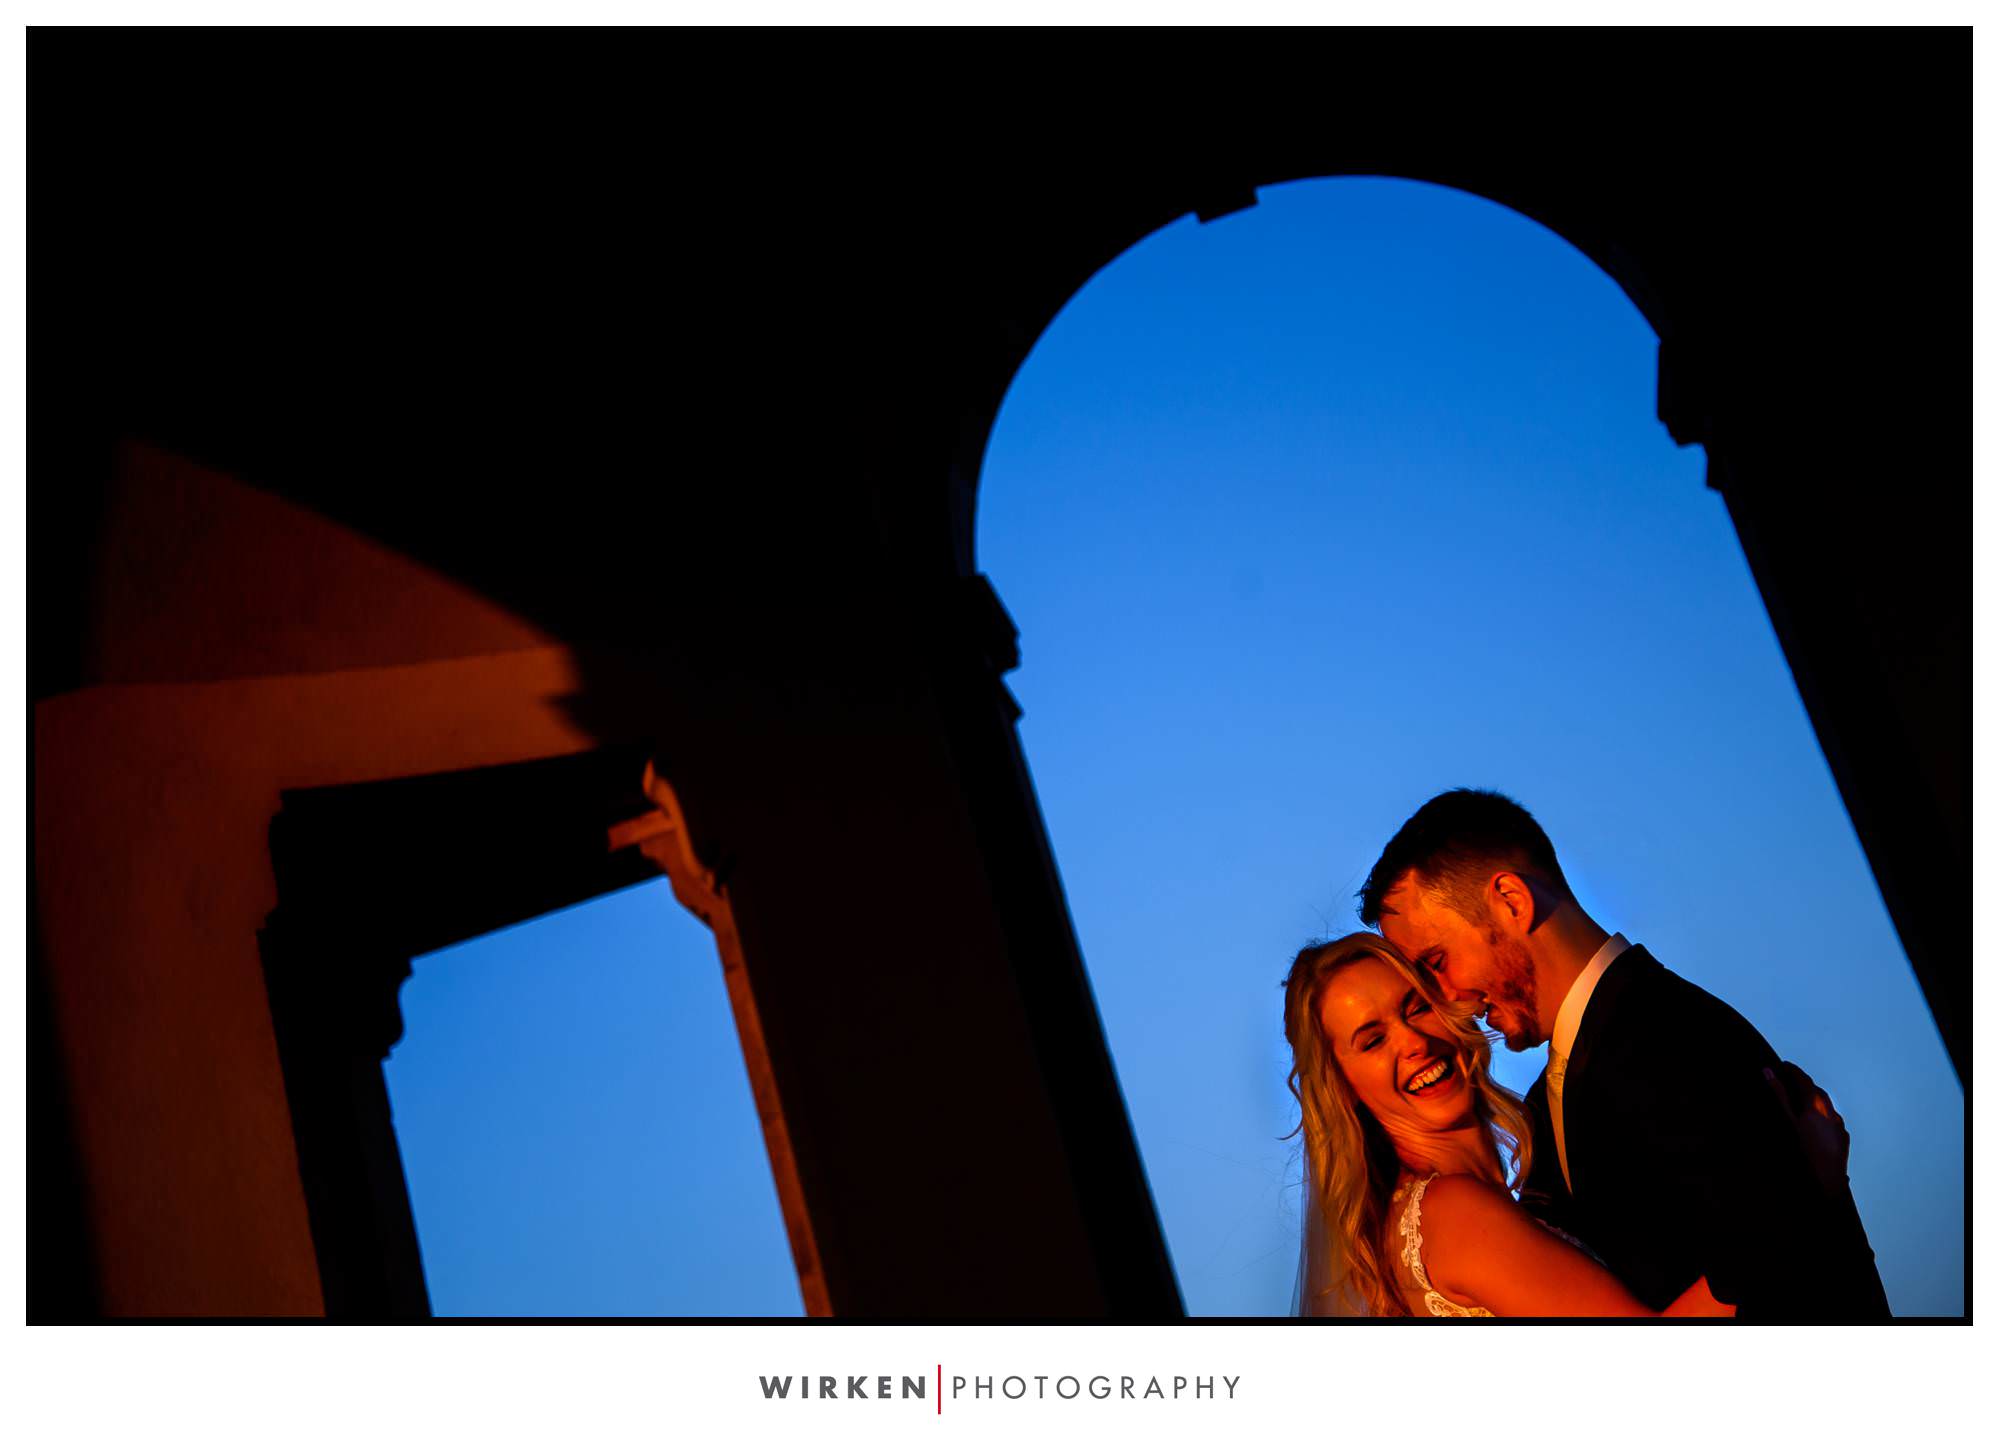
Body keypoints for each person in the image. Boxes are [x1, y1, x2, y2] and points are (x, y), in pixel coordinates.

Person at [1357, 787, 1890, 1320]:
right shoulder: (1549, 1097)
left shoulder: (1667, 1035)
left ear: (1512, 902)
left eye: (1437, 960)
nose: (1446, 999)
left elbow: (1785, 1279)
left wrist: (1804, 1200)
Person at [1285, 930, 1733, 1316]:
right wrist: (1779, 1211)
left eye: (1417, 1008)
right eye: (1374, 1040)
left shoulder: (1488, 1201)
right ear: (1345, 1089)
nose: (1414, 1042)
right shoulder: (1454, 1213)